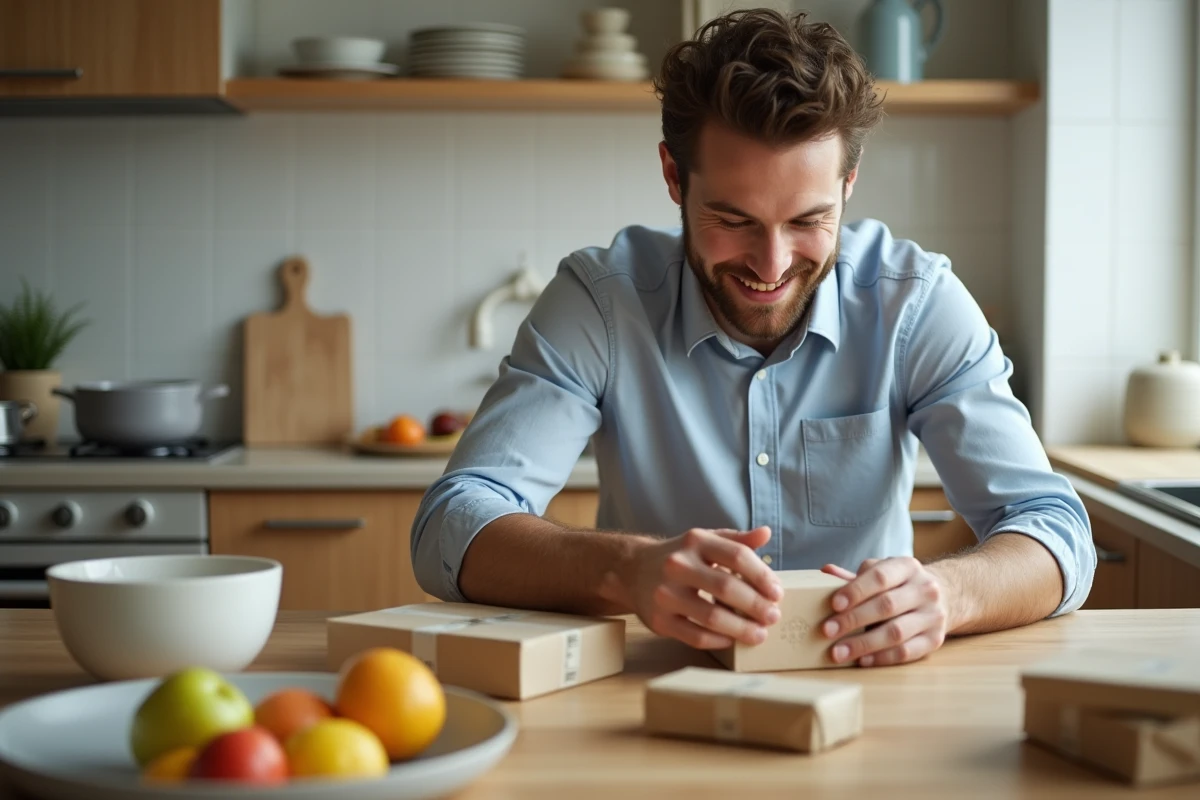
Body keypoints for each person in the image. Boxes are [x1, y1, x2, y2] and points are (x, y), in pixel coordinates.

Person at [411, 8, 1095, 668]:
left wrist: (947, 594)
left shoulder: (915, 301)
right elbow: (452, 523)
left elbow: (1054, 528)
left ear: (848, 186)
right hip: (657, 689)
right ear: (674, 177)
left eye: (807, 221)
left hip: (870, 688)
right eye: (734, 220)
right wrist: (627, 570)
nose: (772, 265)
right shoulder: (601, 302)